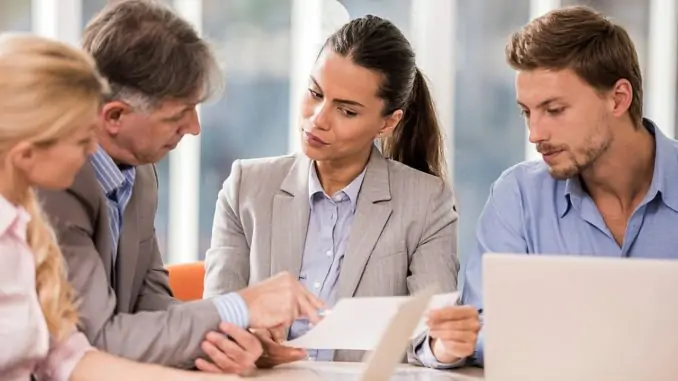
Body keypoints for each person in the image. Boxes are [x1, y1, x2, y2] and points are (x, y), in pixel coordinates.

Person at [36, 0, 323, 375]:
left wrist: (226, 338)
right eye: (176, 116)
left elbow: (149, 300)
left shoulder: (139, 174)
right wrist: (241, 305)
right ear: (115, 116)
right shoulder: (51, 188)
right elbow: (98, 338)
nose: (194, 128)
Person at [202, 15, 479, 365]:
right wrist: (248, 343)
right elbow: (217, 318)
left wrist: (447, 346)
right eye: (315, 93)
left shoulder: (426, 202)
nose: (318, 118)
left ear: (388, 122)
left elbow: (429, 336)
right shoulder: (247, 188)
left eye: (346, 110)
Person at [0, 31, 271, 381]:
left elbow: (68, 358)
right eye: (83, 141)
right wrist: (240, 307)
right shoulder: (47, 211)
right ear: (26, 155)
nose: (92, 155)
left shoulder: (22, 228)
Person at [422, 5, 678, 368]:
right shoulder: (519, 198)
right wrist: (449, 342)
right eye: (527, 112)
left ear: (619, 98)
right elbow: (481, 330)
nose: (535, 134)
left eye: (554, 110)